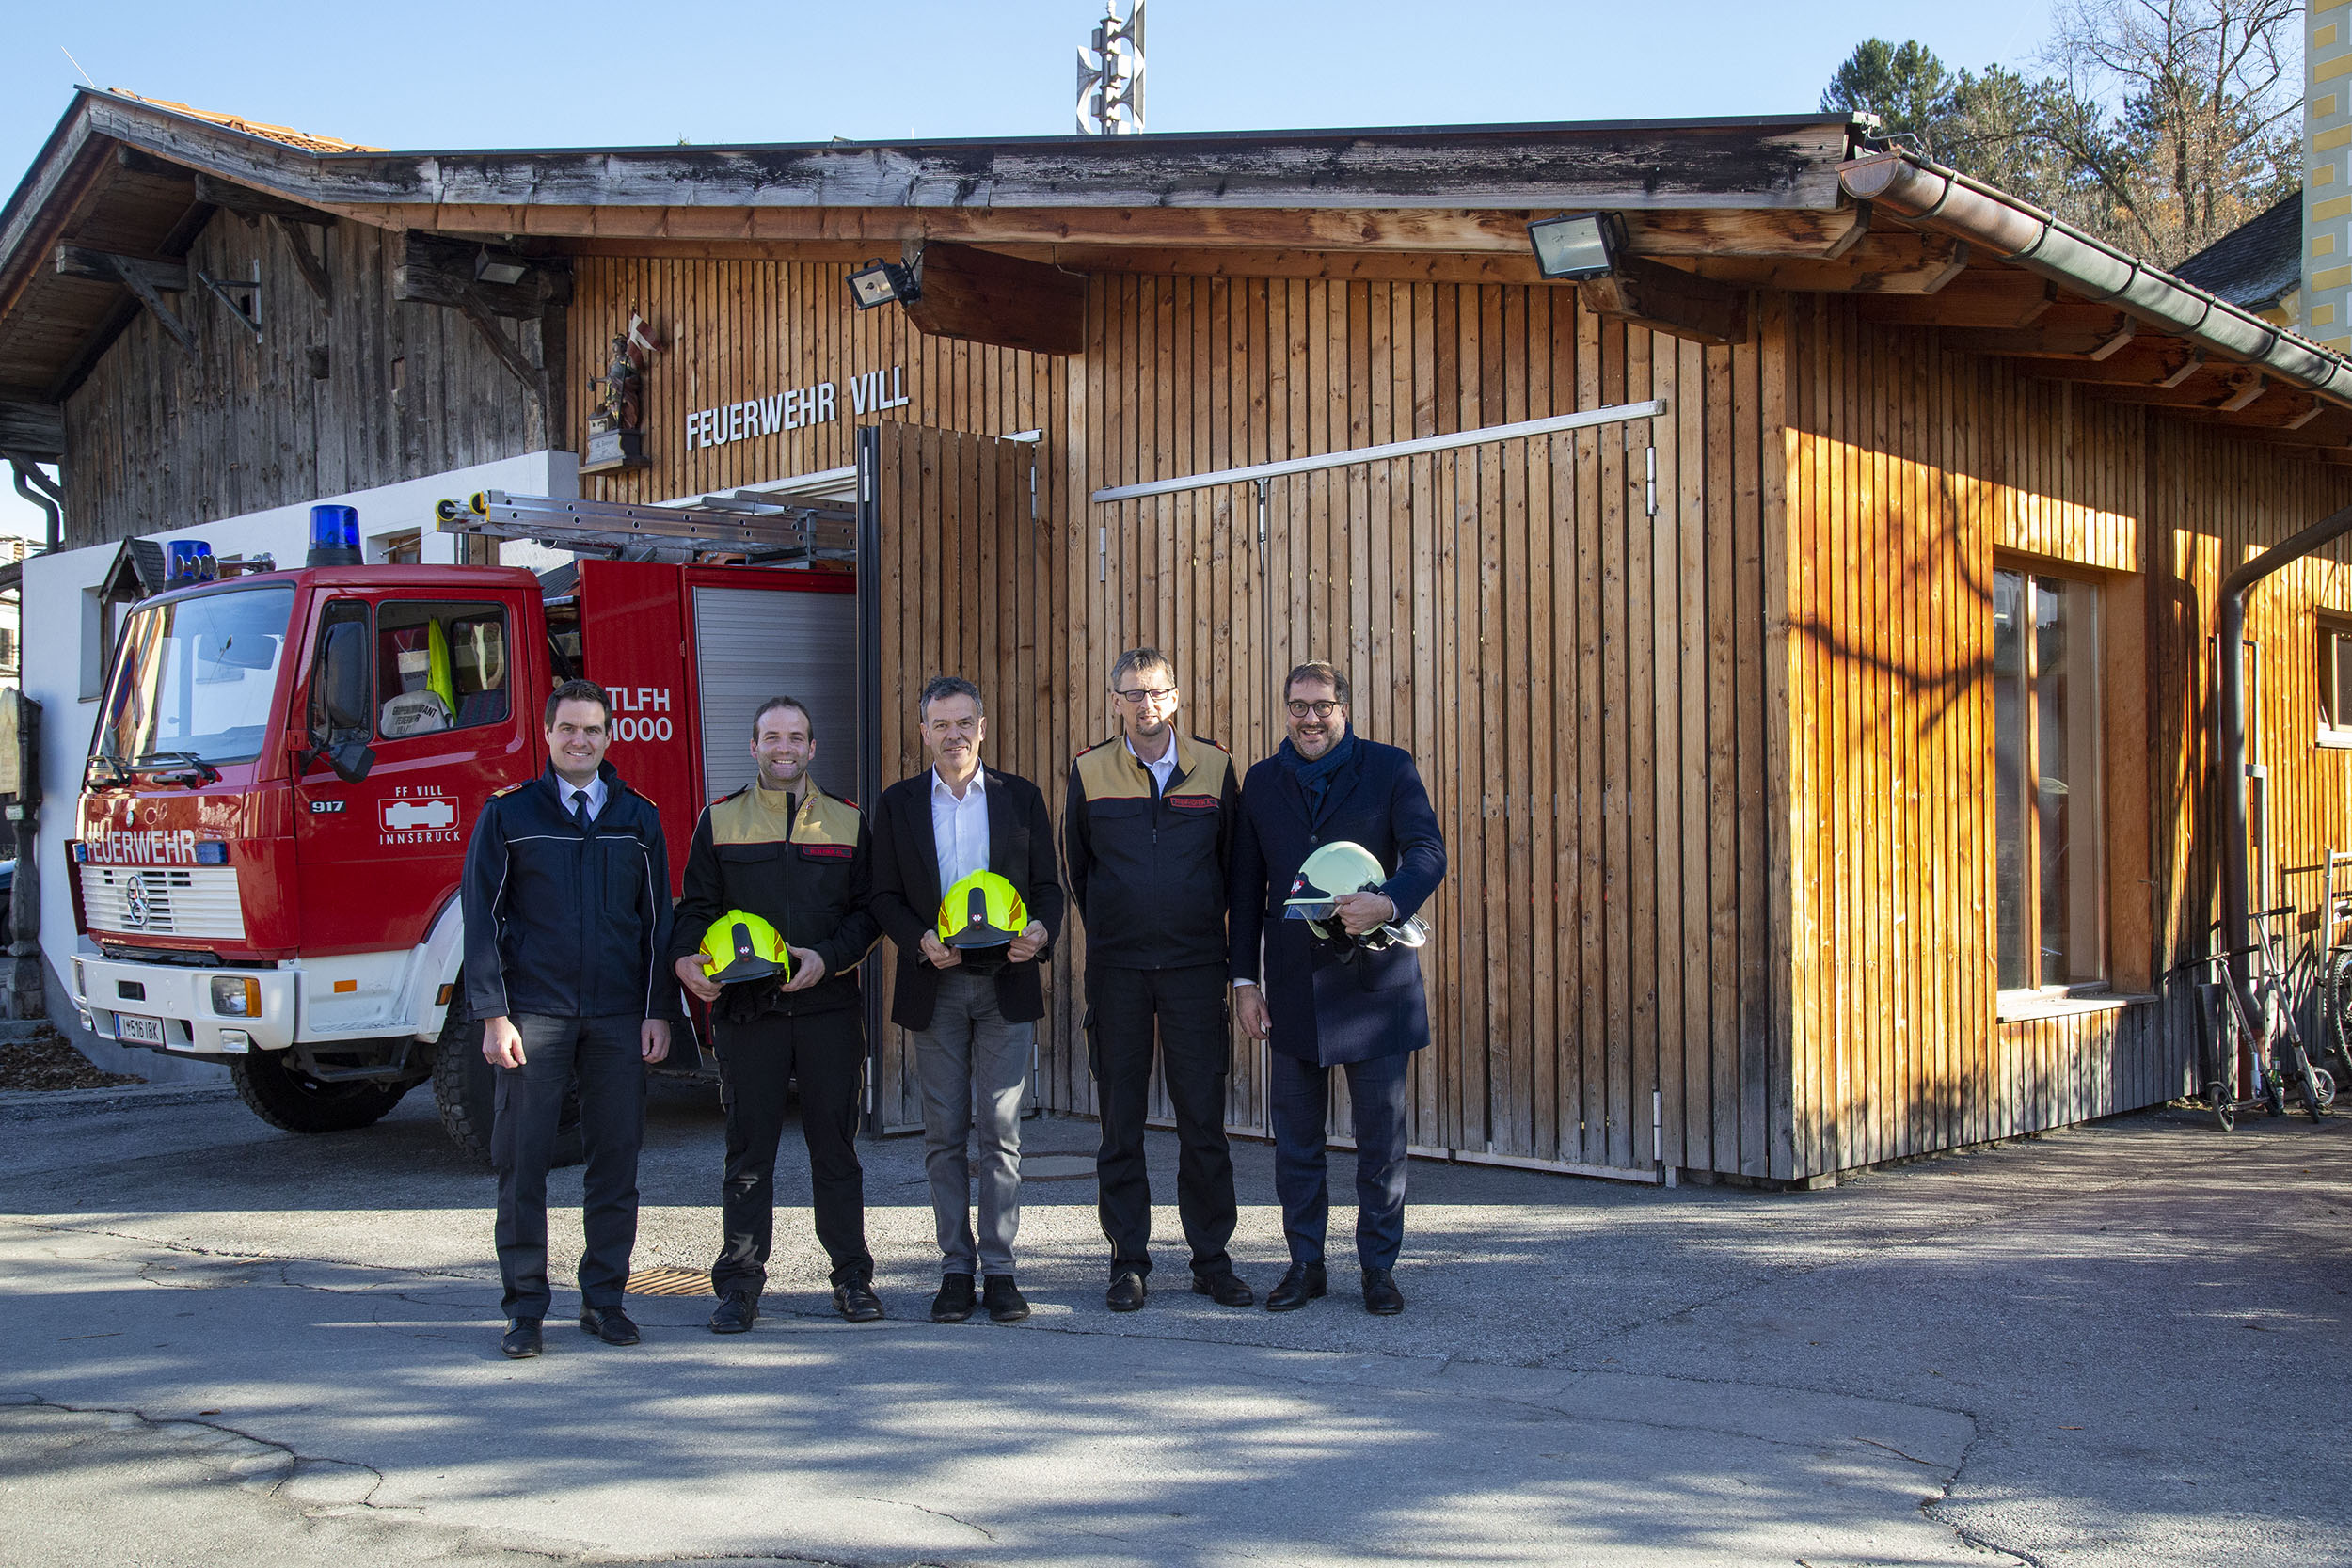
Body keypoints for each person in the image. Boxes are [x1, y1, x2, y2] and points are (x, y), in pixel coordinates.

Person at [461, 678, 680, 1359]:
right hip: (537, 1015)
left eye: (592, 729)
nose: (580, 740)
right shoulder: (509, 815)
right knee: (521, 1165)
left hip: (618, 1016)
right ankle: (525, 1309)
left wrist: (657, 1012)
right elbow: (481, 920)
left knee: (615, 1163)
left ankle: (605, 1302)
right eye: (568, 729)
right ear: (549, 734)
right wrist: (495, 1016)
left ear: (608, 736)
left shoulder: (638, 817)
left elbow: (657, 926)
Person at [1229, 661, 1445, 1317]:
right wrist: (1244, 981)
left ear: (1343, 707)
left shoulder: (1389, 767)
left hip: (1376, 985)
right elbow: (1244, 891)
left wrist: (1388, 904)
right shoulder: (1262, 783)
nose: (1309, 718)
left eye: (1321, 705)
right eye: (1297, 706)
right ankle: (1305, 1265)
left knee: (1381, 1139)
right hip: (1293, 988)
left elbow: (1428, 852)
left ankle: (1379, 1269)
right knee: (1296, 1139)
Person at [671, 695, 883, 1333]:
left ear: (812, 748)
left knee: (835, 1152)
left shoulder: (848, 822)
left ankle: (851, 1277)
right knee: (748, 1153)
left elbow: (870, 911)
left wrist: (830, 957)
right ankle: (738, 1286)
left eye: (796, 737)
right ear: (755, 746)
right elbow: (694, 909)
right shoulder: (720, 819)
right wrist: (685, 960)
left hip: (828, 1010)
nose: (784, 747)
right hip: (747, 1013)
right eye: (772, 737)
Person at [869, 675, 1064, 1325]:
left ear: (983, 727)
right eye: (939, 724)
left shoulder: (1021, 798)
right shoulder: (897, 805)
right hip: (938, 983)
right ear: (922, 730)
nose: (952, 734)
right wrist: (919, 939)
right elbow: (882, 894)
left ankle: (1002, 1270)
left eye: (963, 722)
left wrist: (1039, 933)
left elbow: (1049, 890)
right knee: (943, 1134)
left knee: (1002, 1134)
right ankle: (956, 1269)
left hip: (1005, 981)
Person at [1065, 648, 1251, 1311]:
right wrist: (1119, 928)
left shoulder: (1217, 766)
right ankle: (1128, 1260)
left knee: (1203, 1119)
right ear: (1115, 701)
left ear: (1176, 697)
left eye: (1157, 692)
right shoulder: (1089, 771)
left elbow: (1235, 868)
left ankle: (1212, 1258)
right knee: (1121, 1121)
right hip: (1117, 971)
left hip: (1196, 968)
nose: (1146, 704)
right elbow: (1079, 871)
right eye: (1132, 693)